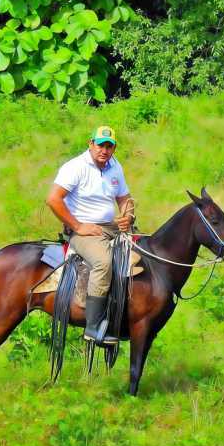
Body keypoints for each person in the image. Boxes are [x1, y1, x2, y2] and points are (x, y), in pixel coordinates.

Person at [45, 126, 135, 345]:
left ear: (113, 148)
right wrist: (78, 226)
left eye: (109, 146)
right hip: (84, 231)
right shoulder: (75, 167)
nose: (104, 150)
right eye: (100, 145)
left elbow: (124, 197)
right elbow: (53, 199)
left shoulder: (115, 166)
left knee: (145, 253)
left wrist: (128, 215)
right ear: (90, 143)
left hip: (110, 226)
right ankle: (93, 327)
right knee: (103, 262)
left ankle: (127, 314)